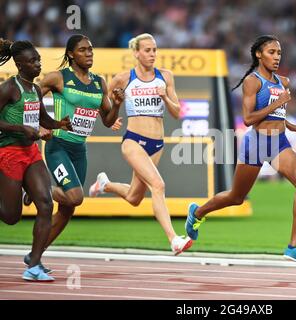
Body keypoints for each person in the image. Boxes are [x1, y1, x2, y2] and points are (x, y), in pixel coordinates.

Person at [185, 35, 296, 266]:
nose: (277, 57)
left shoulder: (283, 82)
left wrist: (289, 124)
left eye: (279, 53)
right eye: (271, 52)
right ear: (259, 54)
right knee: (236, 198)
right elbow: (248, 119)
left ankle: (293, 247)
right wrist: (278, 103)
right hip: (256, 143)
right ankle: (197, 213)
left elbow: (276, 115)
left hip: (279, 143)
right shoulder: (252, 82)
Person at [22, 34, 125, 271]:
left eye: (91, 49)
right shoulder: (59, 78)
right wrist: (40, 125)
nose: (89, 53)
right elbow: (30, 98)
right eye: (83, 50)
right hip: (58, 146)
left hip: (79, 150)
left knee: (68, 209)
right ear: (70, 54)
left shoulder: (99, 83)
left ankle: (34, 257)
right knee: (76, 196)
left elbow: (108, 121)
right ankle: (36, 189)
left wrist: (117, 104)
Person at [88, 33, 192, 255]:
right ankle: (174, 239)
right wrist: (111, 116)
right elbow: (102, 100)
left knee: (135, 197)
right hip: (133, 141)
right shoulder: (123, 78)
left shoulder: (165, 76)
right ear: (136, 53)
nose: (152, 54)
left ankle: (105, 184)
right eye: (147, 50)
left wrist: (165, 97)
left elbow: (177, 113)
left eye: (154, 50)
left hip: (157, 143)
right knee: (158, 185)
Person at [0, 39, 72, 281]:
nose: (38, 64)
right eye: (33, 61)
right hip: (9, 153)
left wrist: (60, 124)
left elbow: (44, 120)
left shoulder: (36, 90)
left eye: (39, 59)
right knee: (11, 217)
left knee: (45, 203)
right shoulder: (9, 88)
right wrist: (20, 129)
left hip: (31, 153)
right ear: (20, 65)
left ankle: (34, 263)